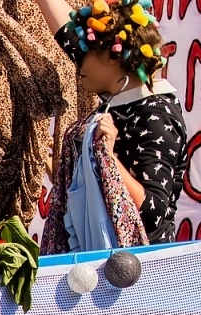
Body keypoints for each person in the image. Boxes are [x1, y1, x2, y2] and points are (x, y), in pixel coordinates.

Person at [38, 0, 185, 246]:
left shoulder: (156, 116)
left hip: (136, 272)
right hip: (100, 261)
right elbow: (67, 34)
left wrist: (108, 156)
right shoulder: (118, 96)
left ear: (114, 57)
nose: (78, 62)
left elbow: (153, 214)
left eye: (86, 53)